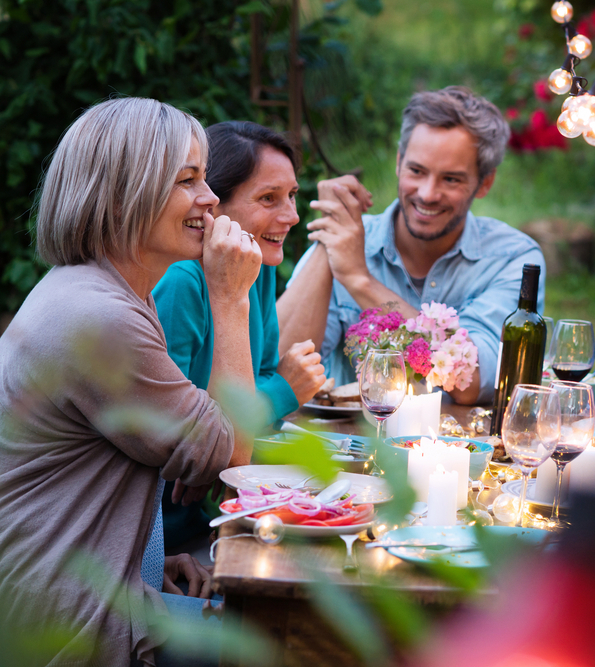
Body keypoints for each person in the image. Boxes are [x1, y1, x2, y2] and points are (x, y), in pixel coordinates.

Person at [0, 98, 260, 665]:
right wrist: (231, 297)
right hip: (65, 623)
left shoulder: (100, 292)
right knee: (278, 640)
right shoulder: (100, 316)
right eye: (187, 180)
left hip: (66, 587)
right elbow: (233, 455)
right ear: (124, 194)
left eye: (206, 178)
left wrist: (143, 555)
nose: (210, 199)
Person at [277, 86, 545, 404]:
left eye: (451, 179)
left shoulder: (512, 258)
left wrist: (359, 280)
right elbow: (275, 367)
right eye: (416, 171)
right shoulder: (344, 243)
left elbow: (473, 380)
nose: (428, 193)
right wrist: (331, 235)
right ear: (399, 162)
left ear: (485, 182)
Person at [152, 121, 326, 550]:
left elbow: (250, 390)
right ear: (215, 206)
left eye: (292, 196)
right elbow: (180, 440)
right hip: (170, 535)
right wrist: (286, 390)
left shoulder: (259, 268)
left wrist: (223, 445)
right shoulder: (183, 283)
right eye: (269, 198)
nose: (292, 216)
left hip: (225, 502)